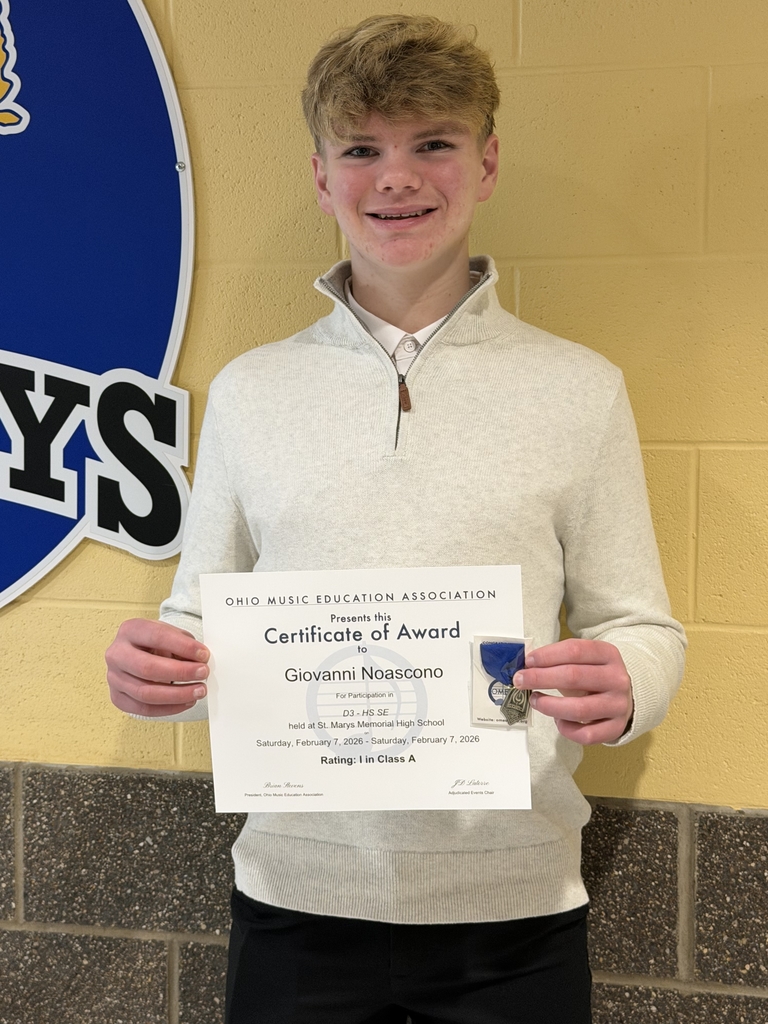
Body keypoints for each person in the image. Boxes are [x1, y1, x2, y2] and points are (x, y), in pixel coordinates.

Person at [106, 15, 686, 1024]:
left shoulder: (580, 390)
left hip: (515, 914)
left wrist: (630, 681)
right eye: (362, 150)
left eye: (434, 144)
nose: (397, 178)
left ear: (488, 162)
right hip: (294, 907)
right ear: (321, 177)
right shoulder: (252, 392)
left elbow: (641, 625)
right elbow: (201, 618)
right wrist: (164, 671)